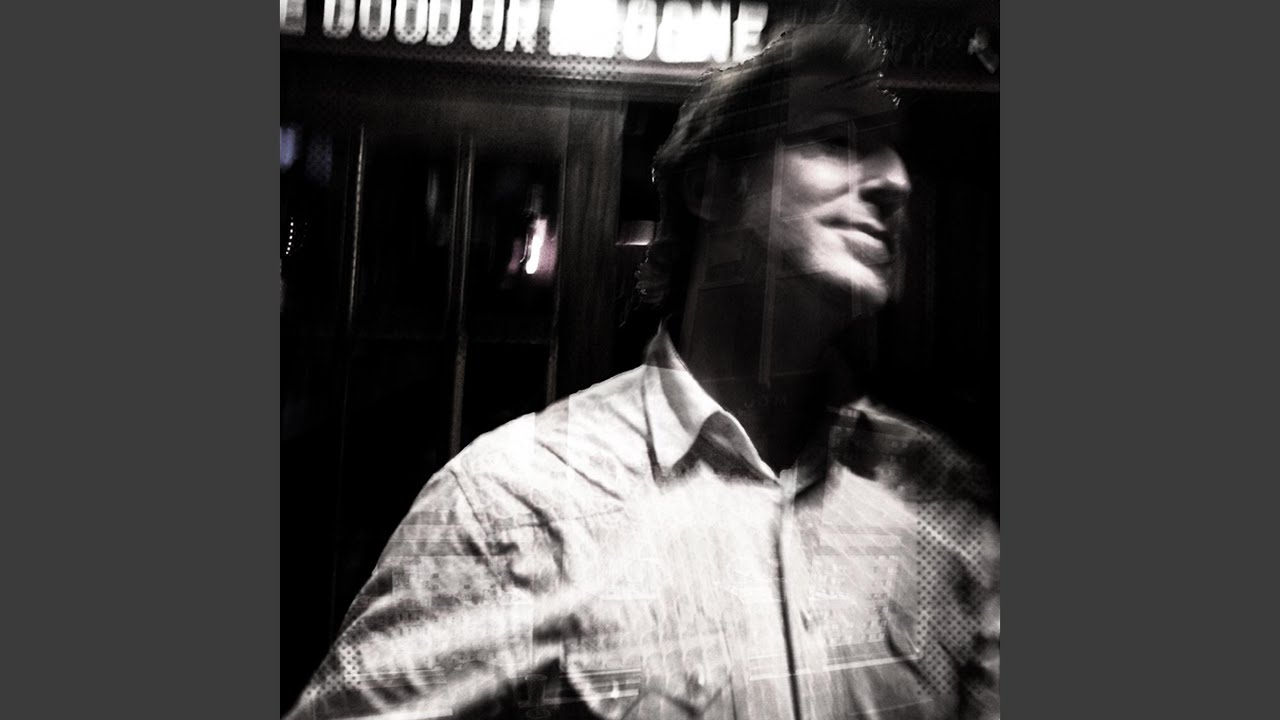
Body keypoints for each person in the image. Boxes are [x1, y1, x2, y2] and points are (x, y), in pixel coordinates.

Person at [285, 22, 999, 720]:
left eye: (895, 151)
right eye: (834, 140)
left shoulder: (943, 497)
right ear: (715, 185)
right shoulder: (517, 505)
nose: (896, 181)